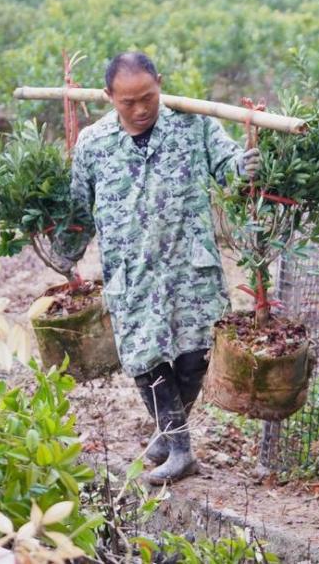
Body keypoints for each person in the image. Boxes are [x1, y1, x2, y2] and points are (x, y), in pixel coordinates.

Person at [53, 52, 260, 485]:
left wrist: (245, 167)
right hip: (133, 275)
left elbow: (228, 169)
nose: (141, 108)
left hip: (190, 269)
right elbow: (77, 209)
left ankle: (169, 434)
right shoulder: (94, 143)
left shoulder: (194, 124)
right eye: (128, 102)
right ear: (109, 97)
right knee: (146, 361)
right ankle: (181, 449)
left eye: (148, 96)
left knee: (192, 359)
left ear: (160, 84)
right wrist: (64, 251)